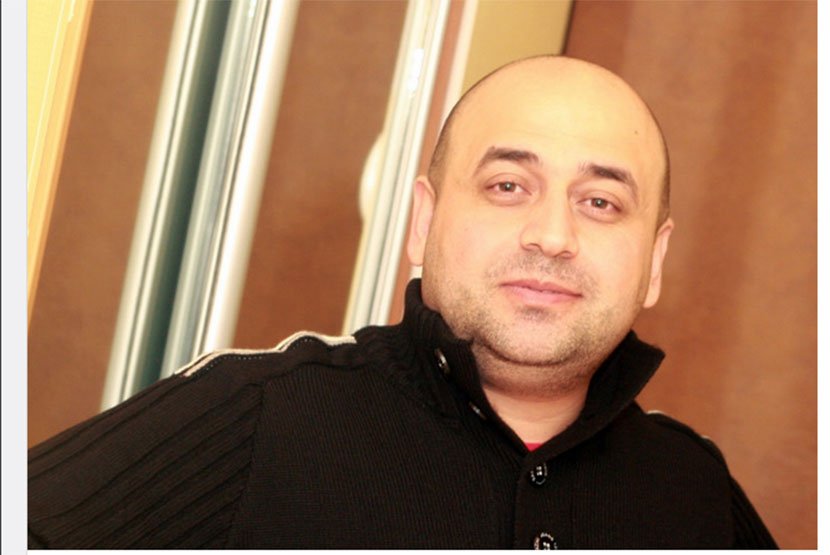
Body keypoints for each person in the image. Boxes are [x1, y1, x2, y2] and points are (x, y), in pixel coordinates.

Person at [27, 55, 777, 549]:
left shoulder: (695, 493)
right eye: (507, 186)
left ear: (655, 261)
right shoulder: (259, 414)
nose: (553, 235)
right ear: (424, 221)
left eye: (601, 202)